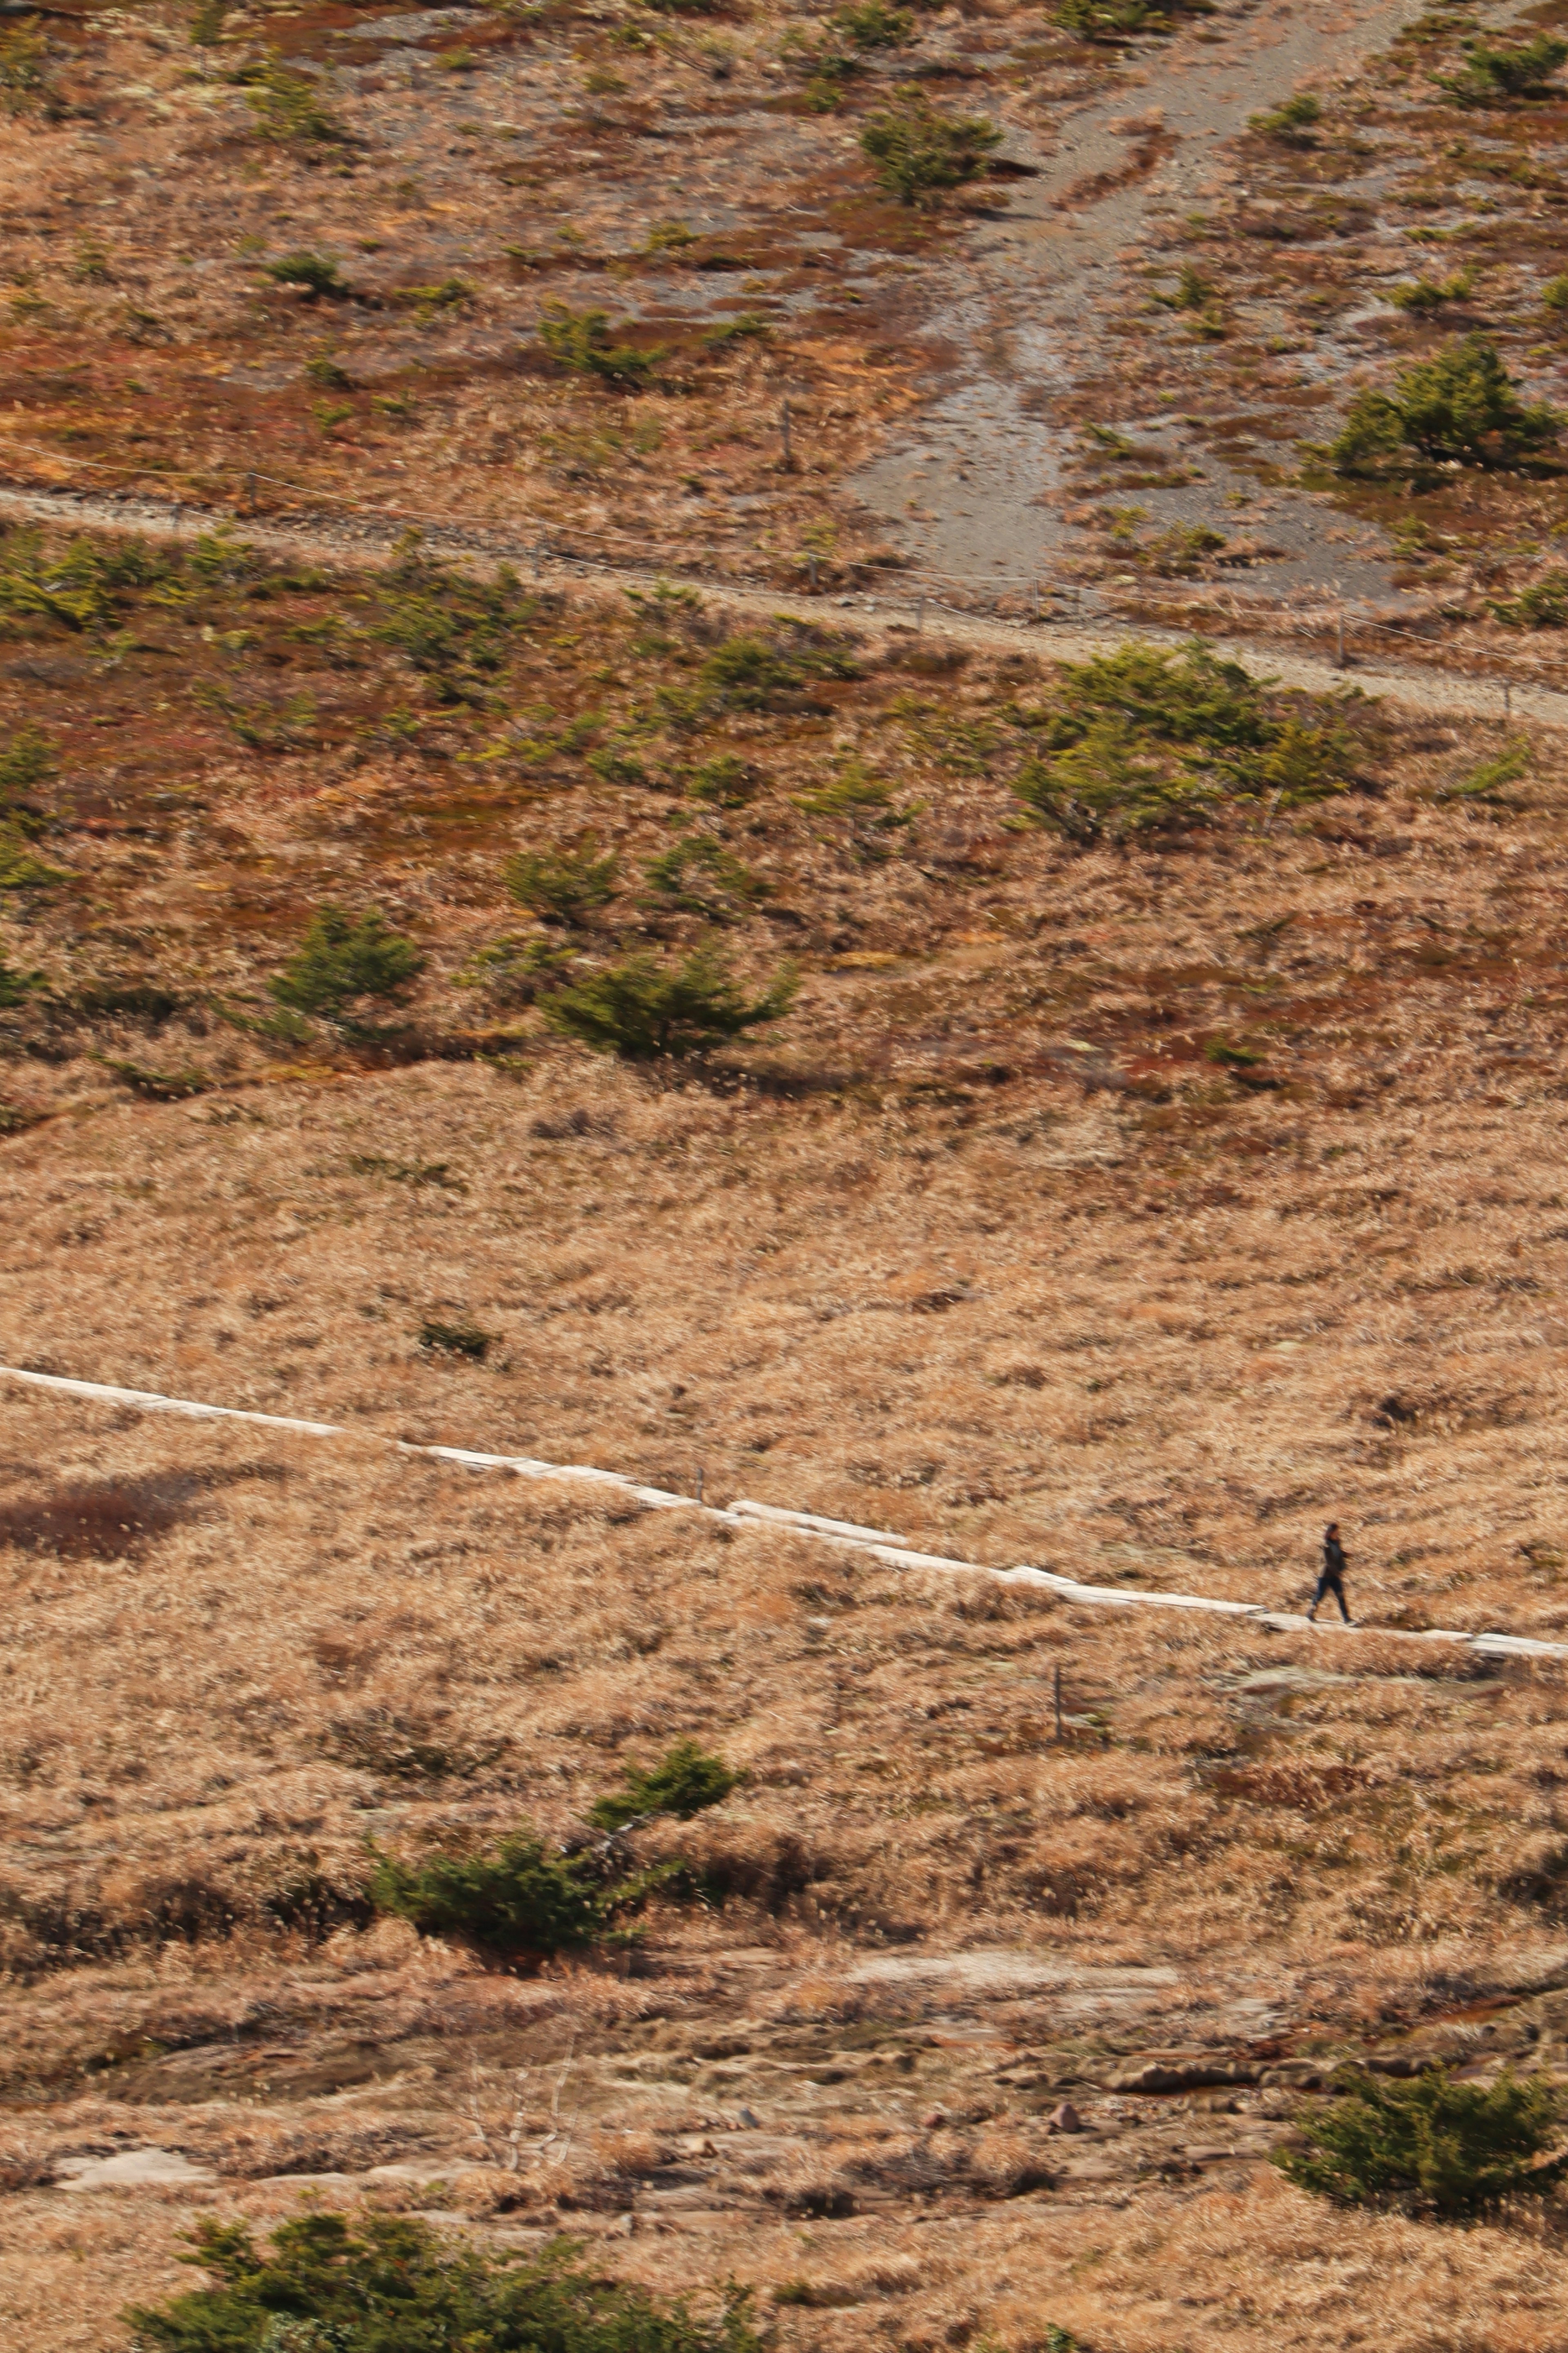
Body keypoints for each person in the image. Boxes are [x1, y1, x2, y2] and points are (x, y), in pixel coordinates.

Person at [1307, 1523, 1352, 1624]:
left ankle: (1347, 1618)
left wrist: (1346, 1554)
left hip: (1335, 1575)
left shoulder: (1337, 1542)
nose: (1337, 1534)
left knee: (1341, 1596)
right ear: (1330, 1533)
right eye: (1336, 1532)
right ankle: (1310, 1613)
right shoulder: (1325, 1545)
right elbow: (1328, 1562)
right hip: (1325, 1575)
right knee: (1320, 1596)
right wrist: (1338, 1573)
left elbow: (1338, 1552)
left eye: (1338, 1532)